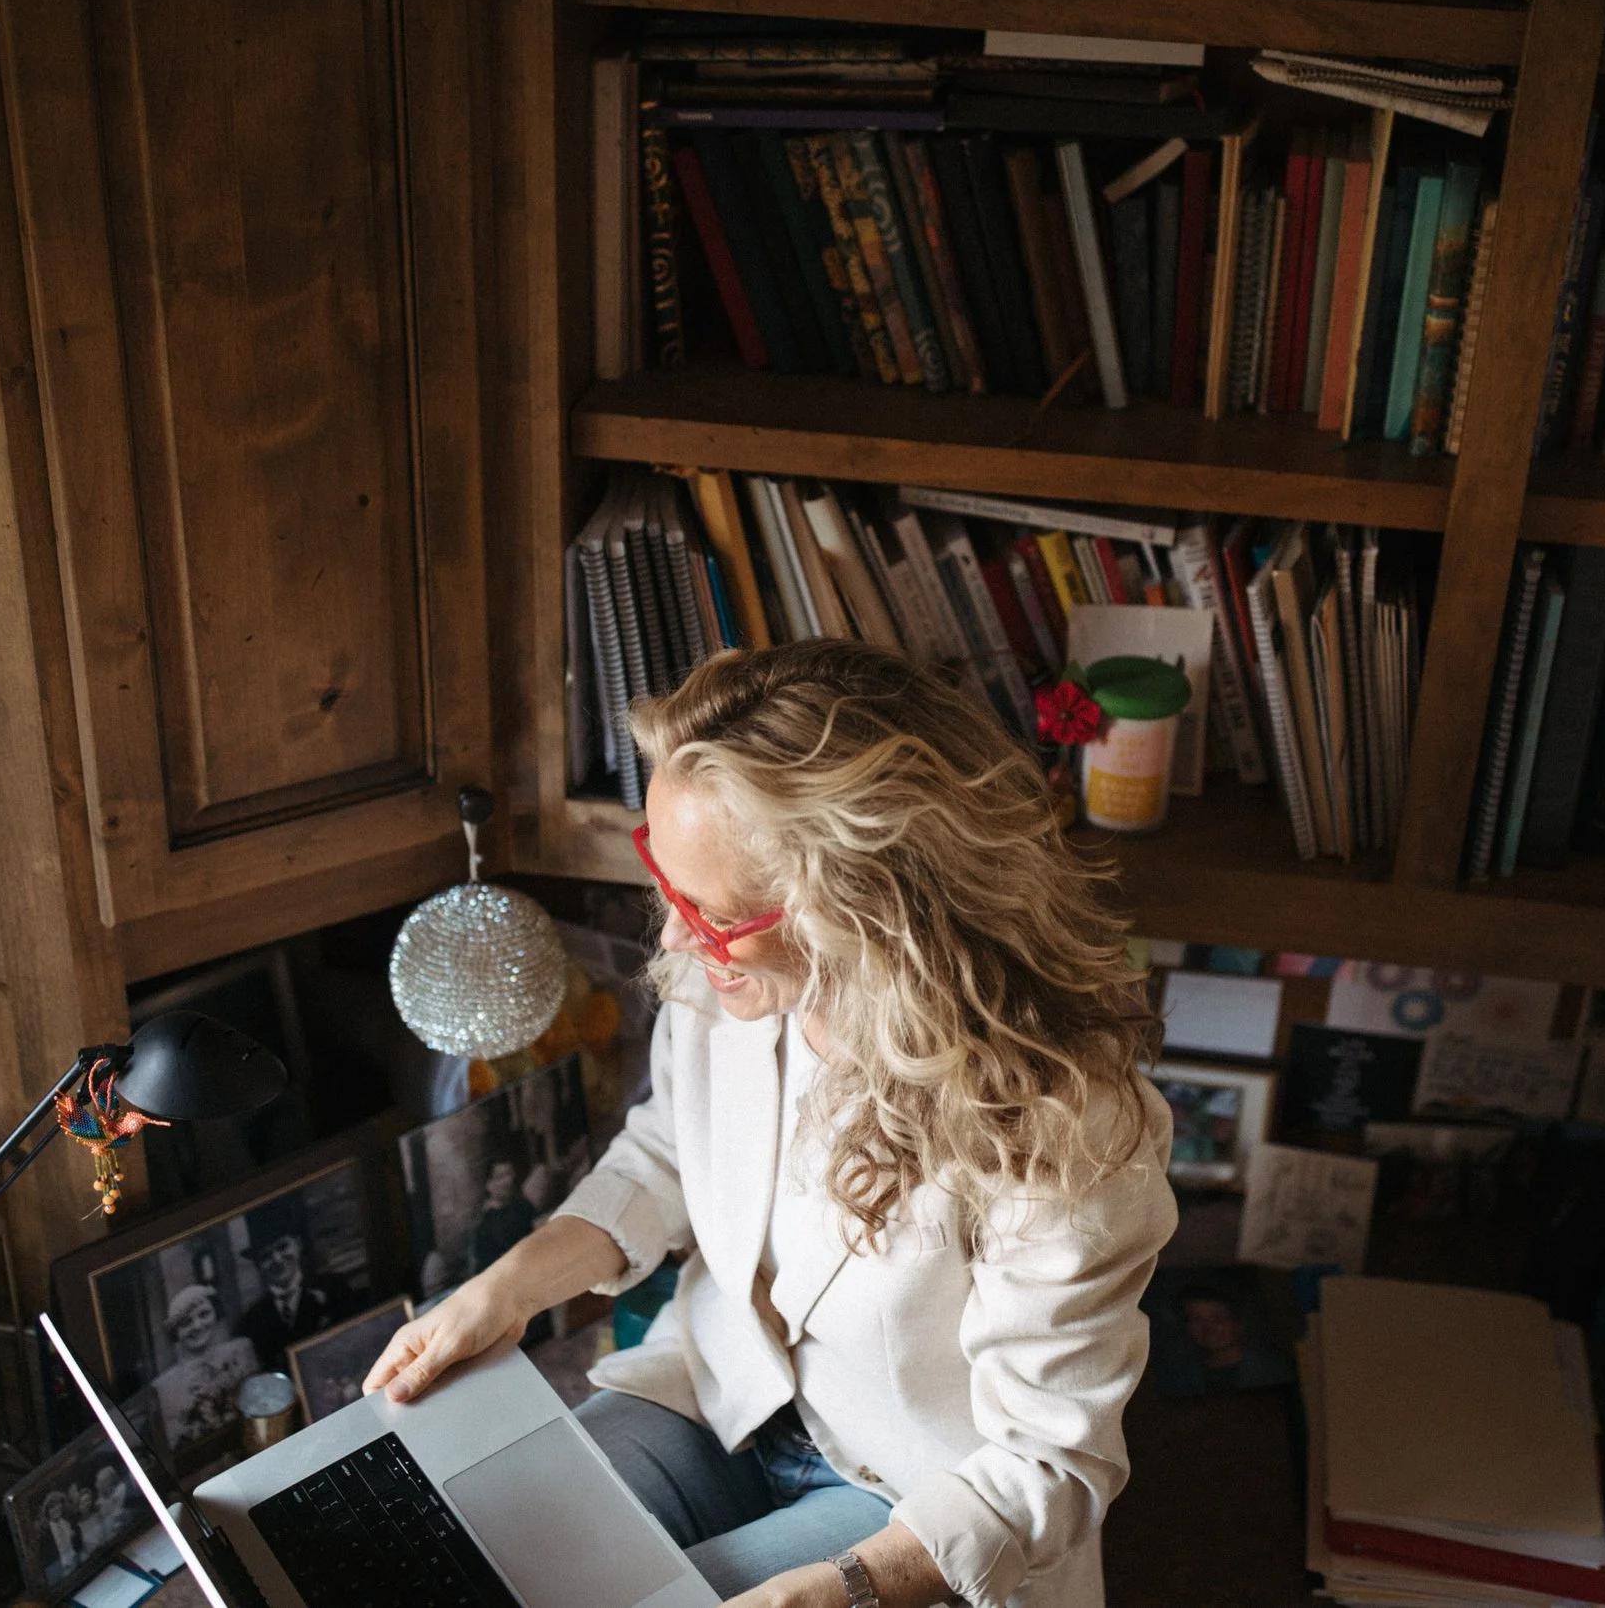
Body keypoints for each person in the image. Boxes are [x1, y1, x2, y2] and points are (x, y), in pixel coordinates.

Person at [368, 641, 1176, 1608]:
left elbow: (1052, 1459)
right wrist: (508, 1289)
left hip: (913, 1495)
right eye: (667, 886)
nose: (673, 937)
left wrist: (836, 1592)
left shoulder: (1067, 1125)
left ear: (867, 902)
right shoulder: (735, 982)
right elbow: (670, 1151)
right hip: (715, 1391)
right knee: (490, 1561)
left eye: (709, 913)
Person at [235, 1214, 363, 1374]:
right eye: (266, 1256)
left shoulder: (333, 1288)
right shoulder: (252, 1320)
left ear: (298, 1245)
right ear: (257, 1265)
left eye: (282, 1247)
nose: (277, 1259)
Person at [152, 1284, 259, 1448]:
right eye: (186, 1322)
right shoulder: (165, 1387)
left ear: (216, 1313)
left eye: (204, 1314)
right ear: (175, 1332)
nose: (197, 1325)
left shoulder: (242, 1351)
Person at [466, 1158, 539, 1277]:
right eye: (500, 1177)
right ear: (489, 1185)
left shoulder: (521, 1206)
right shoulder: (486, 1224)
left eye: (509, 1174)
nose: (508, 1181)